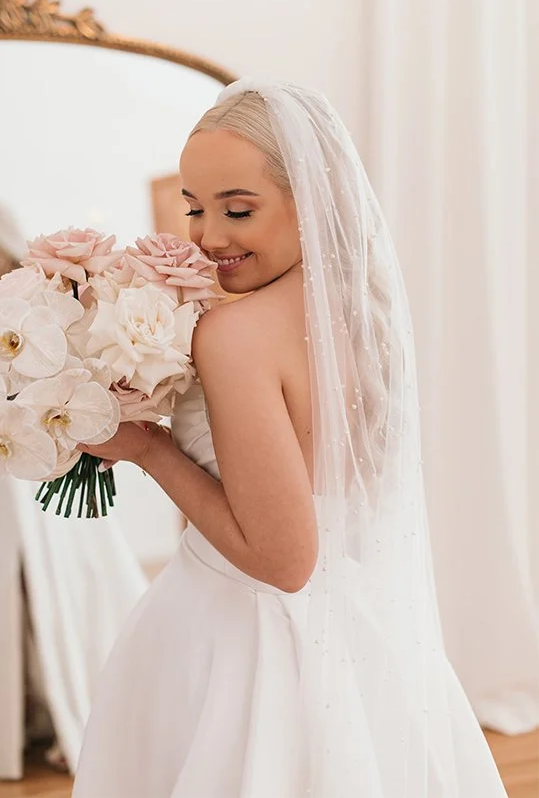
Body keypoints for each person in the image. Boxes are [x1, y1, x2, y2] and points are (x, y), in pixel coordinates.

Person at [73, 80, 508, 797]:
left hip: (244, 642)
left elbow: (282, 560)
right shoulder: (359, 318)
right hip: (355, 632)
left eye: (237, 209)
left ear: (310, 200)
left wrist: (147, 448)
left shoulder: (234, 334)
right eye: (194, 207)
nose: (209, 236)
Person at [0, 197, 148, 781]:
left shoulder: (33, 291)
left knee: (60, 578)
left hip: (38, 450)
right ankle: (15, 708)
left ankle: (78, 706)